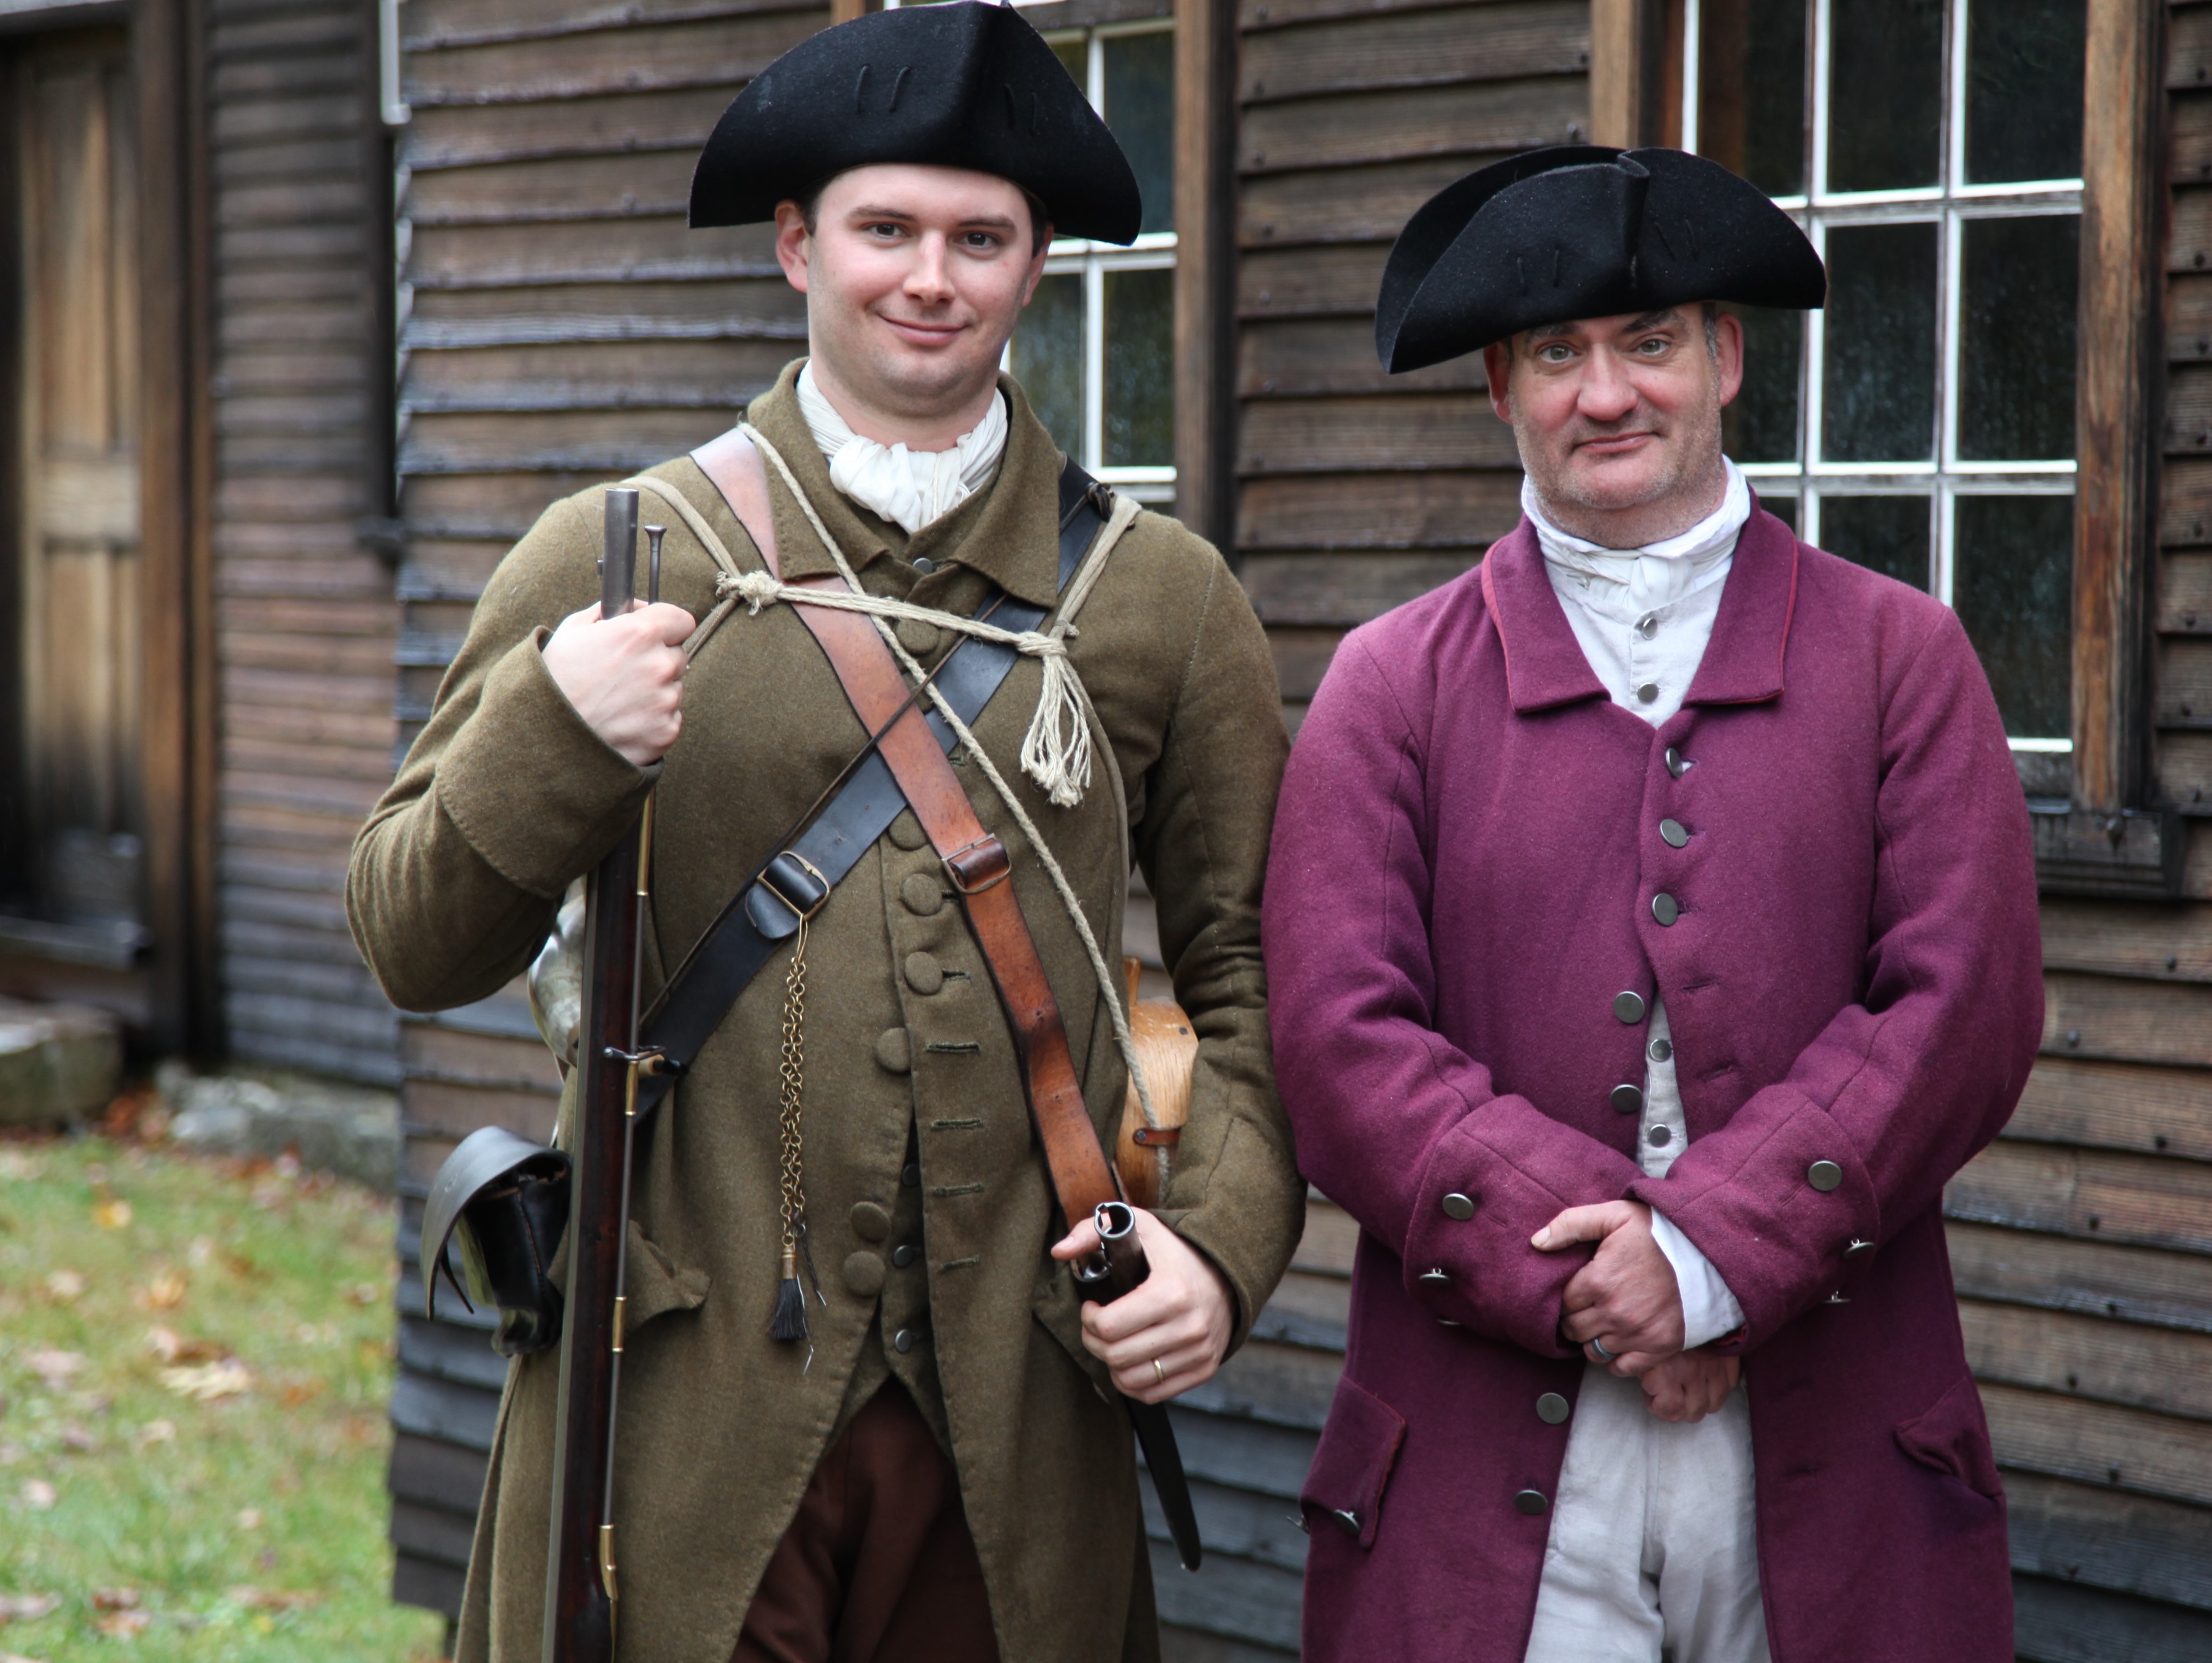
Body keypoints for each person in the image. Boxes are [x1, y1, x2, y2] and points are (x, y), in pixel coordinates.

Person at [348, 7, 1301, 1660]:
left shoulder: (1163, 603)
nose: (931, 277)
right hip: (676, 1414)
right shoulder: (622, 550)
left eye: (980, 239)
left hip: (1021, 1409)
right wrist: (553, 737)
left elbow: (1263, 973)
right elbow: (413, 939)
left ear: (1034, 265)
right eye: (887, 229)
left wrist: (1218, 1246)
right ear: (799, 245)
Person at [1265, 146, 2044, 1663]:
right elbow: (1339, 1039)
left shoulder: (1904, 653)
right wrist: (1600, 1279)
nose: (1607, 393)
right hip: (1484, 1442)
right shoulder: (1389, 683)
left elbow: (1963, 1006)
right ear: (1501, 385)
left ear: (1726, 357)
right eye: (1559, 353)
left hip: (1831, 1435)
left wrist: (1709, 1260)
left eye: (1650, 343)